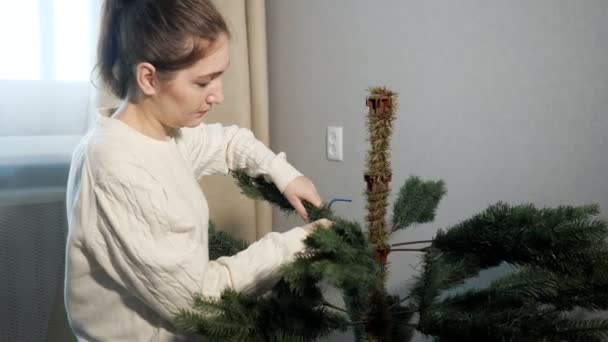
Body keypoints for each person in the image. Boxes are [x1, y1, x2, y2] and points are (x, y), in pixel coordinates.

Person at [64, 0, 331, 340]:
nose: (217, 95)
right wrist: (298, 244)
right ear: (148, 78)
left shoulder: (161, 135)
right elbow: (198, 302)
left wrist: (283, 172)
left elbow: (229, 143)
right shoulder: (115, 168)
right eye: (204, 82)